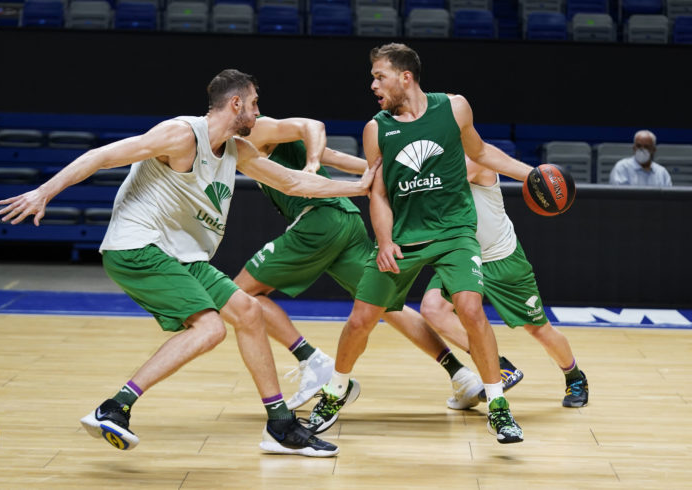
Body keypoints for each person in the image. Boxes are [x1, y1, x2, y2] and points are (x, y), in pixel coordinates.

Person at [0, 69, 378, 458]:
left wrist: (360, 186)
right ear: (236, 104)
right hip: (138, 247)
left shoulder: (236, 149)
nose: (258, 112)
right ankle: (114, 407)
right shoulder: (181, 135)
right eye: (255, 104)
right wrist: (44, 192)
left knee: (247, 311)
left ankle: (280, 425)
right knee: (211, 328)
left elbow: (293, 183)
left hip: (182, 255)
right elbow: (101, 155)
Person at [307, 43, 534, 444]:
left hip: (454, 232)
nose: (373, 83)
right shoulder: (377, 129)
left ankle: (498, 407)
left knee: (469, 307)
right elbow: (376, 193)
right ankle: (335, 390)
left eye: (380, 75)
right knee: (361, 319)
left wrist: (530, 174)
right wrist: (384, 241)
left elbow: (480, 152)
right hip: (405, 239)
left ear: (405, 77)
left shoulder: (455, 107)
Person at [232, 115, 493, 421]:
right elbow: (338, 157)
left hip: (318, 219)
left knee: (239, 294)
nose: (256, 109)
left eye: (253, 103)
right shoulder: (240, 147)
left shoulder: (258, 129)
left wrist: (312, 163)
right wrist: (379, 170)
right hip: (345, 217)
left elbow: (314, 127)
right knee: (384, 304)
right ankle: (461, 375)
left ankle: (311, 359)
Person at [420, 157, 589, 409]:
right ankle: (499, 366)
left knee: (538, 328)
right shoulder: (431, 157)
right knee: (433, 309)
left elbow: (434, 189)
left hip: (502, 259)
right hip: (463, 256)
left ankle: (575, 377)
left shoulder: (474, 161)